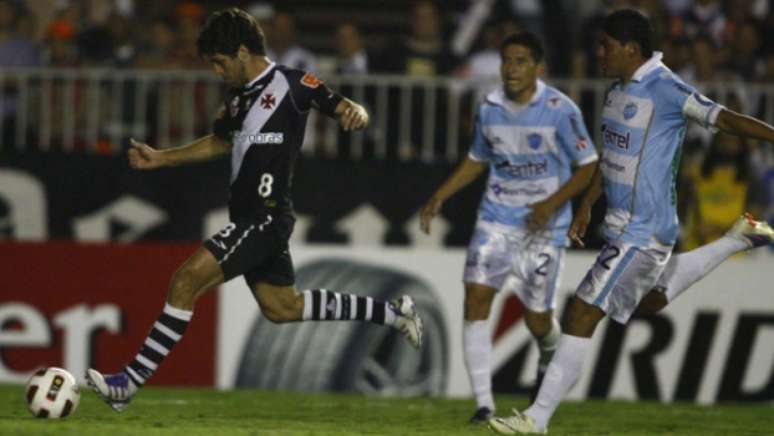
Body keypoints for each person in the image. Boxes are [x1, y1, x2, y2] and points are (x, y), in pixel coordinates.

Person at [85, 7, 423, 412]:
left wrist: (357, 112)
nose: (216, 71)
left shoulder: (293, 83)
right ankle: (394, 313)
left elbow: (344, 104)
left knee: (186, 279)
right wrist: (162, 157)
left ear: (243, 52)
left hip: (265, 216)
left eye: (219, 62)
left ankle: (128, 382)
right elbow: (218, 142)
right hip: (249, 218)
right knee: (284, 308)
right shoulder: (238, 100)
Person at [489, 9, 774, 434]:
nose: (598, 53)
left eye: (605, 46)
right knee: (650, 301)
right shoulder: (617, 92)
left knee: (583, 312)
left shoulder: (668, 89)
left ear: (631, 49)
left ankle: (536, 419)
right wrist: (588, 204)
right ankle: (739, 238)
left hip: (644, 230)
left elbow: (726, 119)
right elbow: (612, 155)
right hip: (622, 227)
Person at [419, 31, 599, 424]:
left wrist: (551, 204)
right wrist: (440, 195)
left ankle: (550, 358)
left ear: (539, 68)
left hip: (543, 229)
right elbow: (476, 158)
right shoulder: (490, 106)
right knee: (475, 299)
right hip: (496, 219)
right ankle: (484, 405)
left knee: (536, 319)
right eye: (506, 61)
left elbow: (588, 166)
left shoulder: (560, 109)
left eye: (520, 61)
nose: (511, 69)